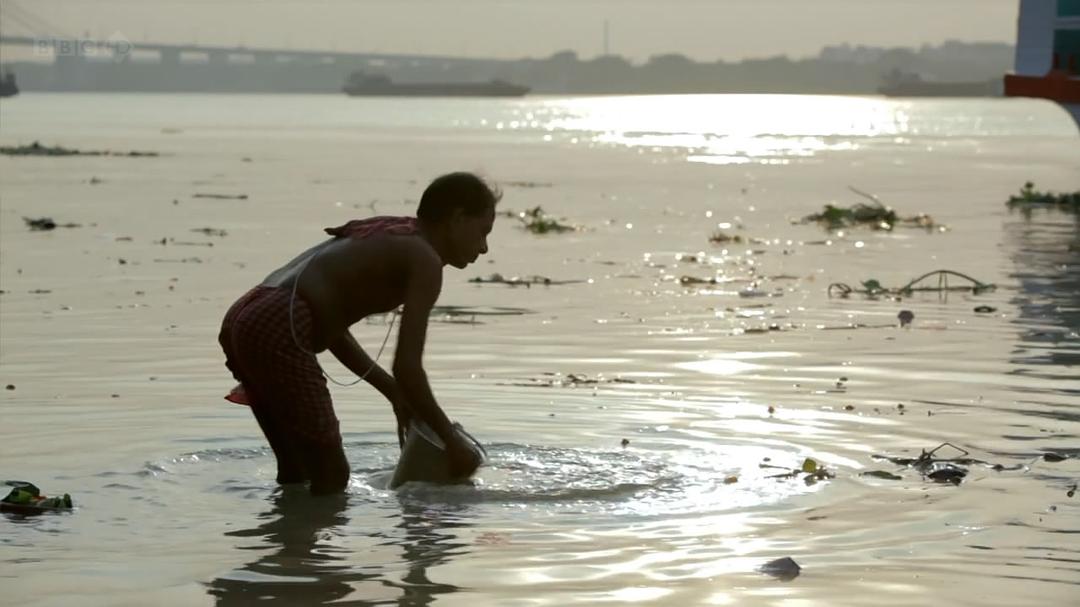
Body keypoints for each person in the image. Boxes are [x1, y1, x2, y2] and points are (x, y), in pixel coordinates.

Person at [218, 172, 498, 495]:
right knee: (333, 475)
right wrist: (450, 440)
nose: (484, 247)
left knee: (297, 468)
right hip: (278, 323)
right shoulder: (426, 261)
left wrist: (394, 393)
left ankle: (287, 541)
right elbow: (407, 367)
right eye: (482, 232)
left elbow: (328, 324)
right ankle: (311, 543)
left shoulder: (396, 233)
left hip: (249, 314)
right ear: (457, 219)